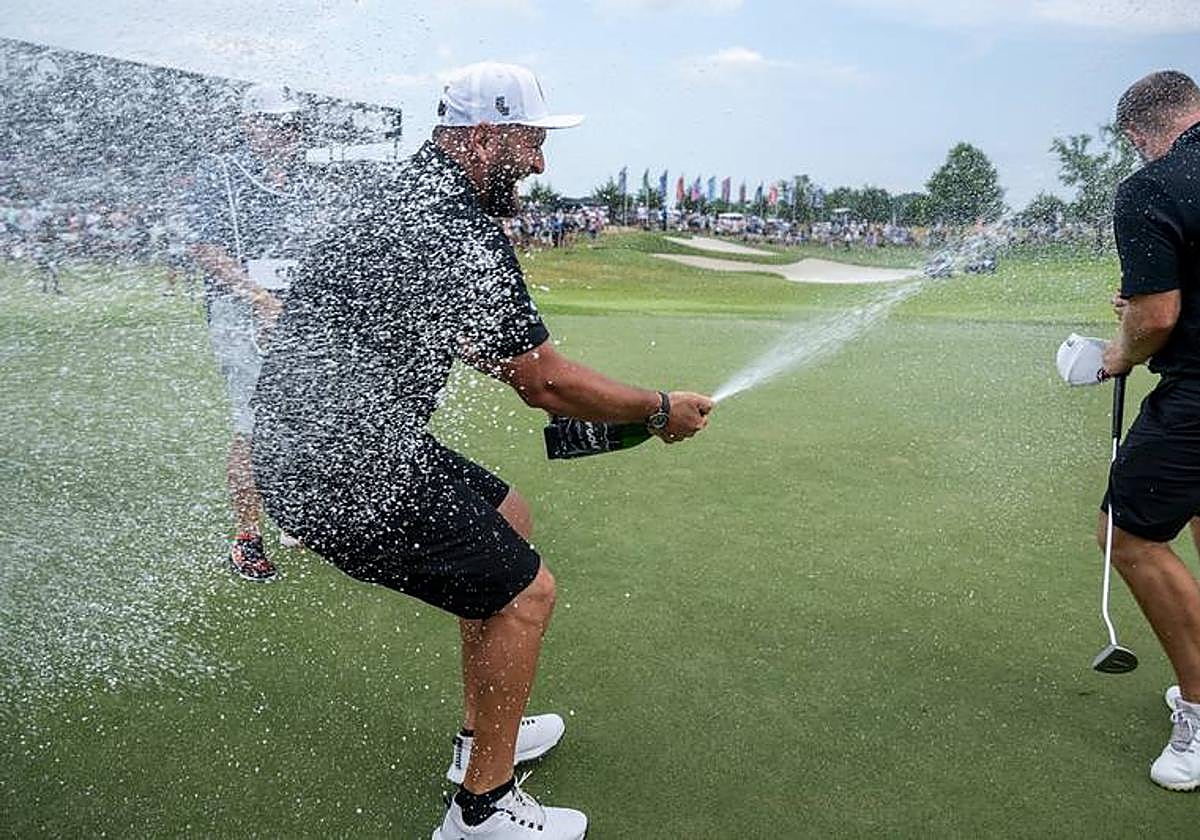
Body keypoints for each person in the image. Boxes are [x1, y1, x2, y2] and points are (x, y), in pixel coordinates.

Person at [250, 62, 713, 838]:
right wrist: (659, 410)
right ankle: (481, 812)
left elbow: (474, 343)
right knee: (526, 594)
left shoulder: (409, 196)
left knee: (511, 514)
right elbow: (545, 384)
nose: (538, 164)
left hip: (337, 444)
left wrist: (606, 408)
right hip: (342, 466)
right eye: (531, 143)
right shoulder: (454, 226)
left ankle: (480, 739)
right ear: (484, 135)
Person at [1097, 69, 1200, 791]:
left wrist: (1121, 348)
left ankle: (1199, 711)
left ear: (1138, 135)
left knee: (1127, 538)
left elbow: (1157, 320)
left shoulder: (1150, 185)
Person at [187, 83, 317, 581]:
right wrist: (260, 299)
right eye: (274, 122)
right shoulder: (220, 173)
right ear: (249, 124)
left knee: (303, 417)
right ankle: (247, 537)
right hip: (242, 313)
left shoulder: (304, 179)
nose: (286, 131)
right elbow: (204, 248)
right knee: (254, 425)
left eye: (292, 122)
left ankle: (296, 517)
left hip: (295, 310)